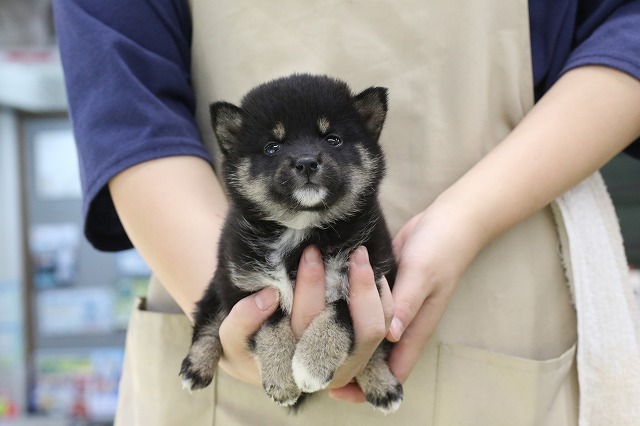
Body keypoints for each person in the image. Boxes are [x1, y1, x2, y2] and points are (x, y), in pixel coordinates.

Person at [53, 0, 640, 424]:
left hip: (496, 295)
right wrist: (238, 312)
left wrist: (467, 219)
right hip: (211, 300)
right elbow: (122, 93)